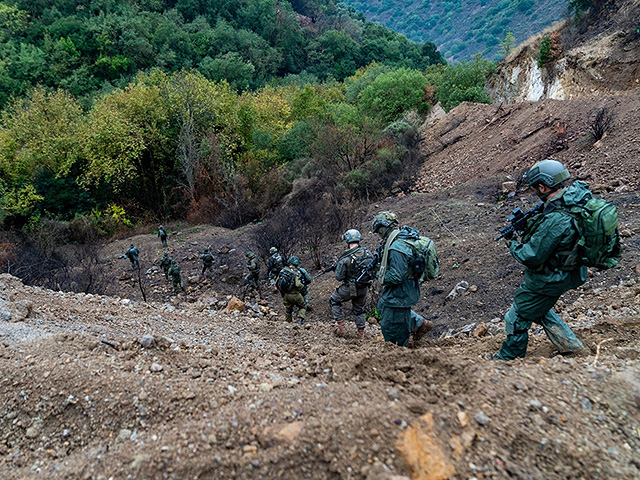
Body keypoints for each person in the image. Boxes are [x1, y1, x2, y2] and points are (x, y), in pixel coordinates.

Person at [493, 159, 587, 360]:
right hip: (570, 271)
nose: (536, 192)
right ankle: (572, 347)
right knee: (539, 308)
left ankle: (507, 360)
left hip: (549, 279)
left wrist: (511, 242)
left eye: (536, 188)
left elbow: (531, 256)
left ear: (543, 186)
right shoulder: (572, 199)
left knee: (516, 316)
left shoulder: (555, 219)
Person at [372, 212, 434, 346]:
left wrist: (378, 274)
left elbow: (396, 276)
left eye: (379, 231)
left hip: (400, 292)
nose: (379, 234)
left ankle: (399, 352)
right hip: (404, 289)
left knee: (391, 326)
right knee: (382, 306)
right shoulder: (398, 240)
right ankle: (419, 323)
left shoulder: (396, 247)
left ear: (384, 227)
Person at [330, 229, 373, 340]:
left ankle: (341, 328)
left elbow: (339, 277)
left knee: (334, 300)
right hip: (364, 287)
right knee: (359, 310)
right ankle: (361, 334)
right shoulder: (367, 253)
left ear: (347, 241)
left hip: (350, 288)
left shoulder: (346, 257)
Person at [277, 256, 307, 325]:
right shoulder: (296, 273)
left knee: (288, 310)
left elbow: (277, 282)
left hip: (286, 295)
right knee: (302, 306)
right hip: (295, 294)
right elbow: (298, 285)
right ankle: (300, 321)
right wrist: (302, 287)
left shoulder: (283, 271)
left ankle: (288, 324)